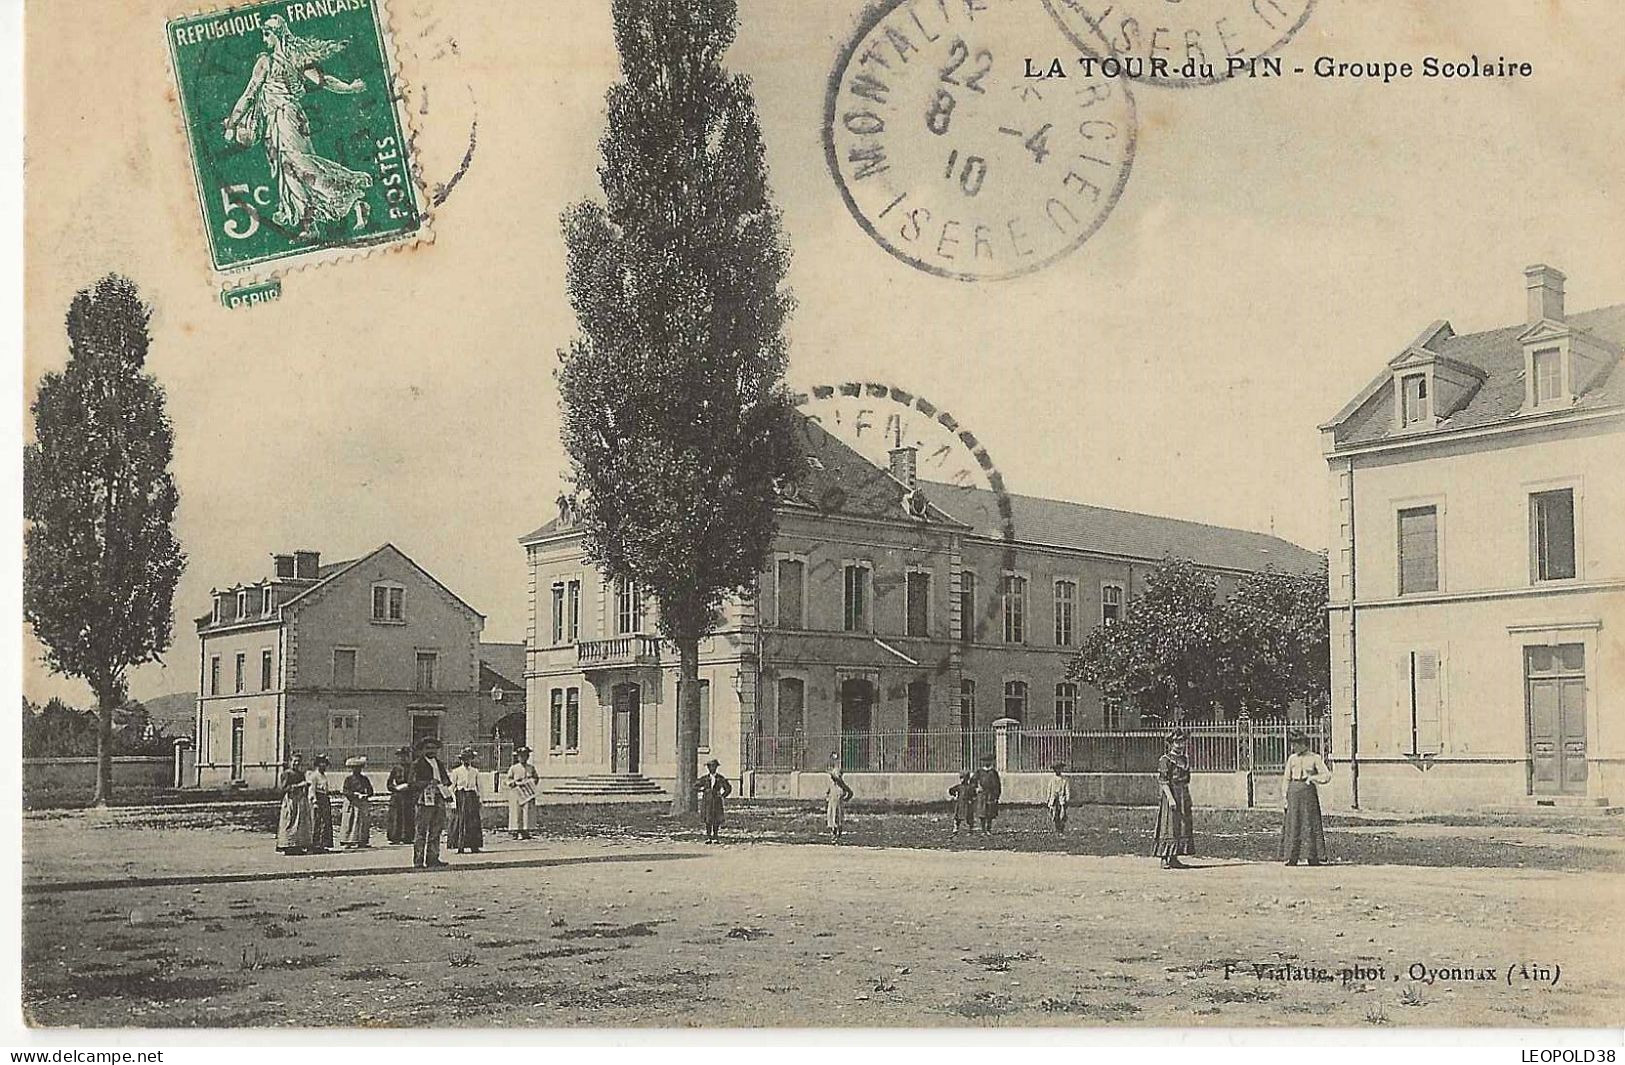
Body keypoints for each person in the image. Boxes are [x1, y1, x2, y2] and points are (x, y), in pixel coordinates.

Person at [221, 14, 373, 239]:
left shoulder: (267, 62)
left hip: (284, 118)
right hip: (289, 118)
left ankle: (350, 194)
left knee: (299, 166)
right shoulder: (295, 59)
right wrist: (348, 88)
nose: (264, 39)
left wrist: (232, 124)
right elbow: (324, 80)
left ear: (277, 35)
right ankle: (310, 223)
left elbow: (249, 94)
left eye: (266, 34)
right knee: (292, 169)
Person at [1280, 730, 1332, 866]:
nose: (1293, 747)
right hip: (1293, 793)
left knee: (1310, 823)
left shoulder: (1314, 758)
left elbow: (1326, 775)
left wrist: (1313, 778)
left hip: (1308, 794)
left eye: (1296, 744)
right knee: (1293, 823)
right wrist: (1285, 798)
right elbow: (1286, 779)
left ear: (1303, 744)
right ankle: (1292, 857)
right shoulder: (1292, 759)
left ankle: (1313, 856)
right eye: (1292, 744)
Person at [1153, 728, 1195, 869]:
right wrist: (1171, 798)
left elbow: (1186, 779)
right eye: (1177, 742)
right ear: (1171, 743)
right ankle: (1164, 858)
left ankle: (1174, 857)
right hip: (1171, 793)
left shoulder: (1184, 759)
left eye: (1182, 741)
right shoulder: (1165, 760)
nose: (1180, 745)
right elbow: (1163, 781)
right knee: (1169, 825)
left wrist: (1187, 797)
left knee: (1181, 825)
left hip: (1182, 794)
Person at [411, 736, 454, 869]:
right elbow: (412, 783)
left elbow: (446, 779)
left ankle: (433, 858)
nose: (432, 751)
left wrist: (443, 784)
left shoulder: (439, 763)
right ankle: (418, 860)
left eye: (434, 748)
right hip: (424, 800)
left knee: (436, 830)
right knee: (421, 831)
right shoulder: (417, 764)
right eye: (428, 748)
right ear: (423, 750)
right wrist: (428, 783)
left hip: (438, 799)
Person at [447, 747, 484, 855]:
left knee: (473, 821)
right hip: (461, 797)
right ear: (461, 760)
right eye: (464, 758)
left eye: (468, 758)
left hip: (471, 797)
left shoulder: (475, 771)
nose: (466, 761)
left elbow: (479, 787)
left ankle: (474, 846)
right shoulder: (456, 771)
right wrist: (453, 802)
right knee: (460, 821)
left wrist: (481, 799)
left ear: (471, 759)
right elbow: (451, 787)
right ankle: (460, 846)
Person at [275, 753, 313, 855]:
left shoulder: (301, 774)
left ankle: (297, 845)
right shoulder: (286, 774)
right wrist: (298, 785)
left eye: (298, 762)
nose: (296, 763)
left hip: (300, 800)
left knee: (299, 823)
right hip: (290, 800)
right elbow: (283, 789)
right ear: (289, 762)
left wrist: (306, 786)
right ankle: (288, 845)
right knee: (290, 821)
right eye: (294, 761)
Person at [695, 758, 732, 843]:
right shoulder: (705, 778)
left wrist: (723, 795)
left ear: (716, 767)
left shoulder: (720, 778)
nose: (712, 768)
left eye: (714, 766)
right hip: (707, 801)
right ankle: (708, 837)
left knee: (716, 819)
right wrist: (703, 790)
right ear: (708, 768)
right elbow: (695, 786)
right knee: (708, 819)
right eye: (710, 767)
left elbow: (728, 788)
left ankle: (715, 836)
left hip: (716, 801)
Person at [506, 747, 540, 840]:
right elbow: (508, 780)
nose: (523, 758)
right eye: (521, 756)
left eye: (525, 756)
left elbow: (536, 778)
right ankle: (517, 831)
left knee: (527, 811)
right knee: (517, 811)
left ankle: (526, 830)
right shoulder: (514, 768)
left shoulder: (531, 768)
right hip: (517, 793)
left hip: (528, 792)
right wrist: (515, 782)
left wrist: (531, 781)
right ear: (518, 757)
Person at [340, 757, 373, 848]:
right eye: (354, 767)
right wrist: (354, 794)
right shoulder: (348, 779)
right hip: (352, 802)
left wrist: (365, 795)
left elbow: (370, 791)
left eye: (358, 767)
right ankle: (348, 841)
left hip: (362, 803)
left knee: (362, 822)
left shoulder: (364, 779)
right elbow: (345, 791)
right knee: (350, 822)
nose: (356, 769)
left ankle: (361, 840)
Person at [385, 747, 416, 845]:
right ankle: (395, 837)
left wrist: (410, 787)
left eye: (405, 756)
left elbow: (416, 781)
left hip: (408, 795)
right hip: (397, 796)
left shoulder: (413, 767)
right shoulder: (395, 768)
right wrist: (395, 788)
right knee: (396, 816)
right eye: (400, 756)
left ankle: (408, 837)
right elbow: (389, 783)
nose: (403, 758)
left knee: (408, 815)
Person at [306, 754, 334, 853]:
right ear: (318, 764)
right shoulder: (314, 776)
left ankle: (323, 844)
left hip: (325, 800)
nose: (324, 766)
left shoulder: (323, 776)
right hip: (318, 800)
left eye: (325, 764)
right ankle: (314, 845)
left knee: (325, 822)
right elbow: (312, 789)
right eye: (322, 764)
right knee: (316, 822)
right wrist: (314, 802)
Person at [825, 755, 854, 843]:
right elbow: (828, 792)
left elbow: (850, 793)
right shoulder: (832, 785)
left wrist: (845, 799)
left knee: (837, 817)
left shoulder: (841, 785)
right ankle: (833, 834)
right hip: (832, 802)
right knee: (832, 817)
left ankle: (837, 834)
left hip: (837, 803)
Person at [972, 755, 1001, 834]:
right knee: (982, 812)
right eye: (985, 761)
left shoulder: (993, 772)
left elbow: (997, 784)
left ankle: (988, 828)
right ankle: (983, 829)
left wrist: (996, 795)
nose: (986, 762)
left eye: (988, 761)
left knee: (990, 812)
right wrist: (976, 788)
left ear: (991, 762)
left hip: (991, 794)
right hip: (982, 794)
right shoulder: (979, 772)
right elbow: (973, 782)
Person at [1045, 762, 1070, 833]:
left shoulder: (1064, 780)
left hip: (1061, 799)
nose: (1058, 770)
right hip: (1054, 799)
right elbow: (1049, 790)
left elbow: (1067, 790)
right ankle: (1057, 827)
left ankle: (1061, 828)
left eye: (1059, 769)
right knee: (1054, 814)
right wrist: (1048, 799)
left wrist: (1067, 799)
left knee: (1062, 814)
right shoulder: (1052, 780)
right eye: (1056, 769)